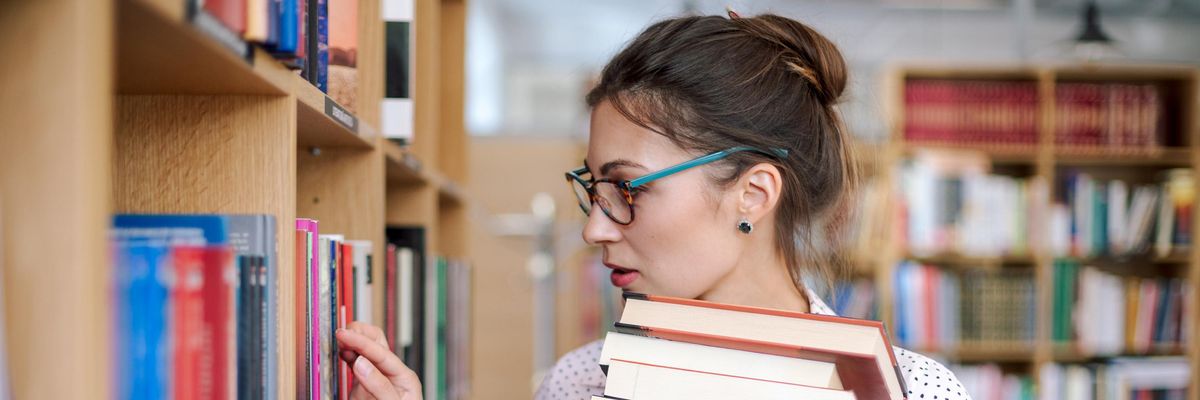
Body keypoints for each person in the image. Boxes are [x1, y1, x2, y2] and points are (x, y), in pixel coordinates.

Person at [336, 10, 971, 400]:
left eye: (629, 189)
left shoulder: (917, 392)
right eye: (594, 189)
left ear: (753, 193)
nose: (591, 229)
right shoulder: (580, 384)